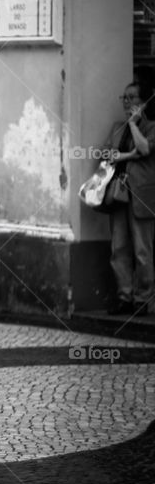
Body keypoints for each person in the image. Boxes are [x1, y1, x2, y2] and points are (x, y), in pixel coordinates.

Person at [103, 81, 155, 316]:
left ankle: (143, 299)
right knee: (119, 247)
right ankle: (124, 296)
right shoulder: (116, 128)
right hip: (118, 193)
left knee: (143, 250)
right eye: (124, 98)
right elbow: (107, 155)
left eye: (132, 98)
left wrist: (134, 124)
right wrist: (127, 154)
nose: (126, 102)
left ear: (143, 103)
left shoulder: (151, 127)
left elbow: (144, 149)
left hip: (141, 195)